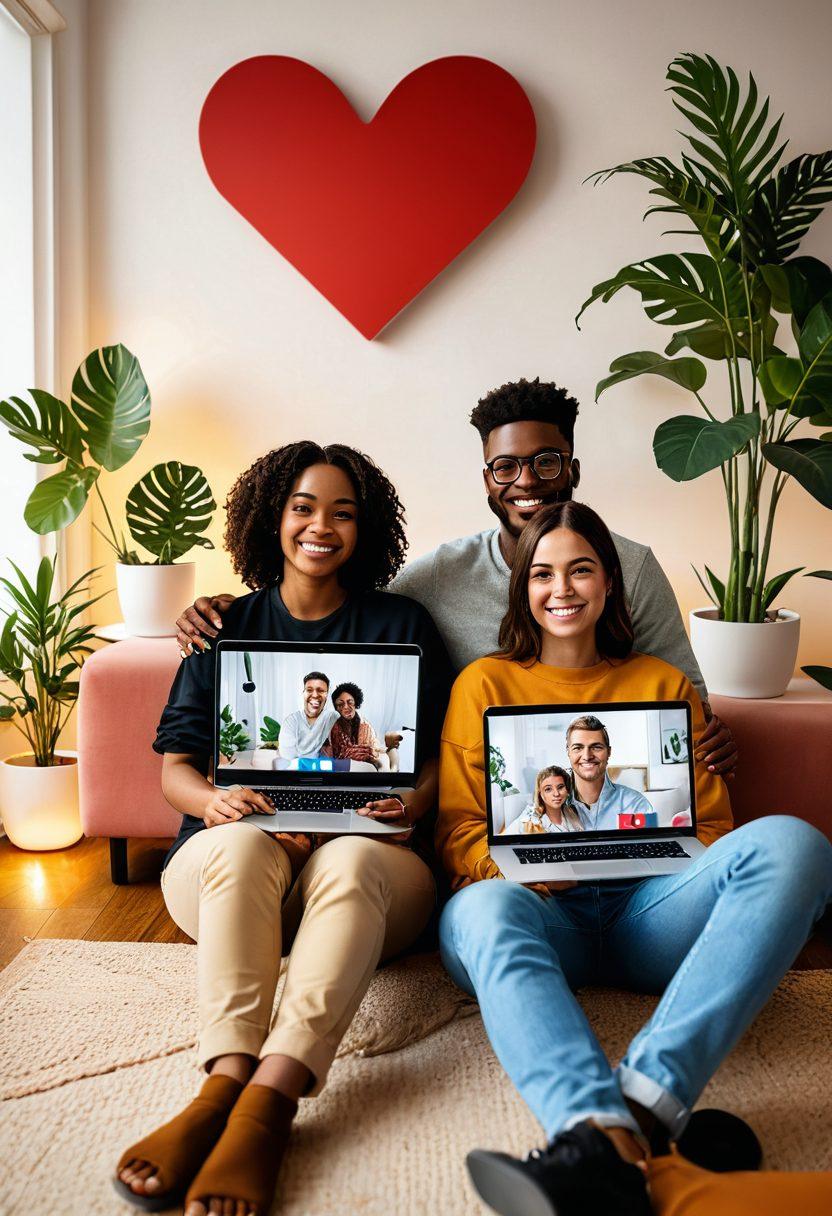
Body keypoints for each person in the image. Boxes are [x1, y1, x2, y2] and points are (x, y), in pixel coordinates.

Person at [436, 500, 832, 1216]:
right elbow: (458, 832)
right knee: (479, 905)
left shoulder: (662, 685)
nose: (562, 589)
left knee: (796, 845)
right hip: (539, 918)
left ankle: (634, 1114)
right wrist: (524, 869)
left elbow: (713, 834)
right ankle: (609, 1132)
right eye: (543, 574)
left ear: (610, 583)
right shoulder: (483, 686)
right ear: (522, 588)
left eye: (581, 570)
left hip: (649, 916)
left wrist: (656, 856)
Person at [114, 441, 453, 1216]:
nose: (321, 526)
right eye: (304, 507)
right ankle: (221, 1085)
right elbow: (175, 770)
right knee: (238, 841)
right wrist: (212, 804)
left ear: (365, 530)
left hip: (370, 873)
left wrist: (413, 805)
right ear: (273, 518)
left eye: (343, 512)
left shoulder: (403, 623)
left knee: (353, 861)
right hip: (235, 873)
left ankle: (271, 1098)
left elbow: (435, 759)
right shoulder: (221, 626)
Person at [174, 378, 737, 777]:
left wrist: (702, 743)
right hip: (477, 798)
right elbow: (342, 608)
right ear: (488, 480)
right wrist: (241, 606)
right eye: (506, 467)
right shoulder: (441, 576)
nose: (527, 480)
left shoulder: (630, 566)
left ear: (573, 469)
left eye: (546, 461)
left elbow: (691, 709)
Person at [564, 714, 653, 830]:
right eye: (578, 748)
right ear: (568, 752)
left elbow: (648, 844)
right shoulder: (551, 806)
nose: (587, 756)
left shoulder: (636, 804)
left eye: (596, 747)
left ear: (609, 752)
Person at [323, 681, 389, 770]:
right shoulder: (333, 723)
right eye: (340, 704)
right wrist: (371, 752)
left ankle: (391, 774)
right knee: (371, 767)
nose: (345, 707)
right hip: (339, 765)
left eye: (350, 702)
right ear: (336, 707)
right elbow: (342, 754)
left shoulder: (365, 724)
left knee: (386, 756)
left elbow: (374, 745)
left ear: (356, 703)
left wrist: (377, 751)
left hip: (364, 762)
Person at [504, 765, 584, 834]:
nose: (556, 794)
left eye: (560, 787)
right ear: (540, 794)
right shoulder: (529, 820)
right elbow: (504, 840)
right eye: (548, 789)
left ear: (567, 790)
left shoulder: (572, 813)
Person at [278, 670, 338, 758]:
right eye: (309, 690)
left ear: (327, 695)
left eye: (321, 691)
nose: (315, 695)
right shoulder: (291, 721)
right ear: (303, 693)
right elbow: (288, 756)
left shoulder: (333, 718)